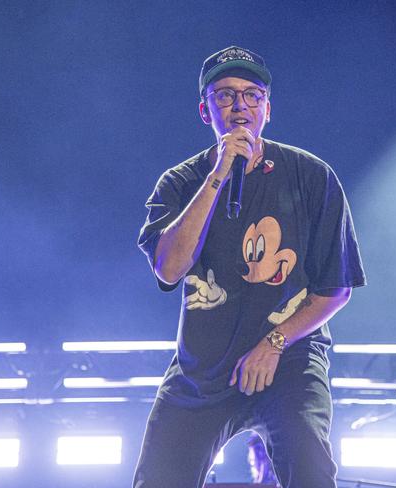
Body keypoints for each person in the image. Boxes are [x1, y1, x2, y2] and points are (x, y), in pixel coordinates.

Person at [134, 46, 366, 488]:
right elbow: (169, 268)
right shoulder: (180, 182)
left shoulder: (311, 175)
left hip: (288, 357)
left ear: (267, 108)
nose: (240, 106)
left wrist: (274, 342)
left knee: (310, 463)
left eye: (252, 94)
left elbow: (335, 288)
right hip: (203, 367)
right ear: (205, 111)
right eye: (225, 95)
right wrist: (218, 173)